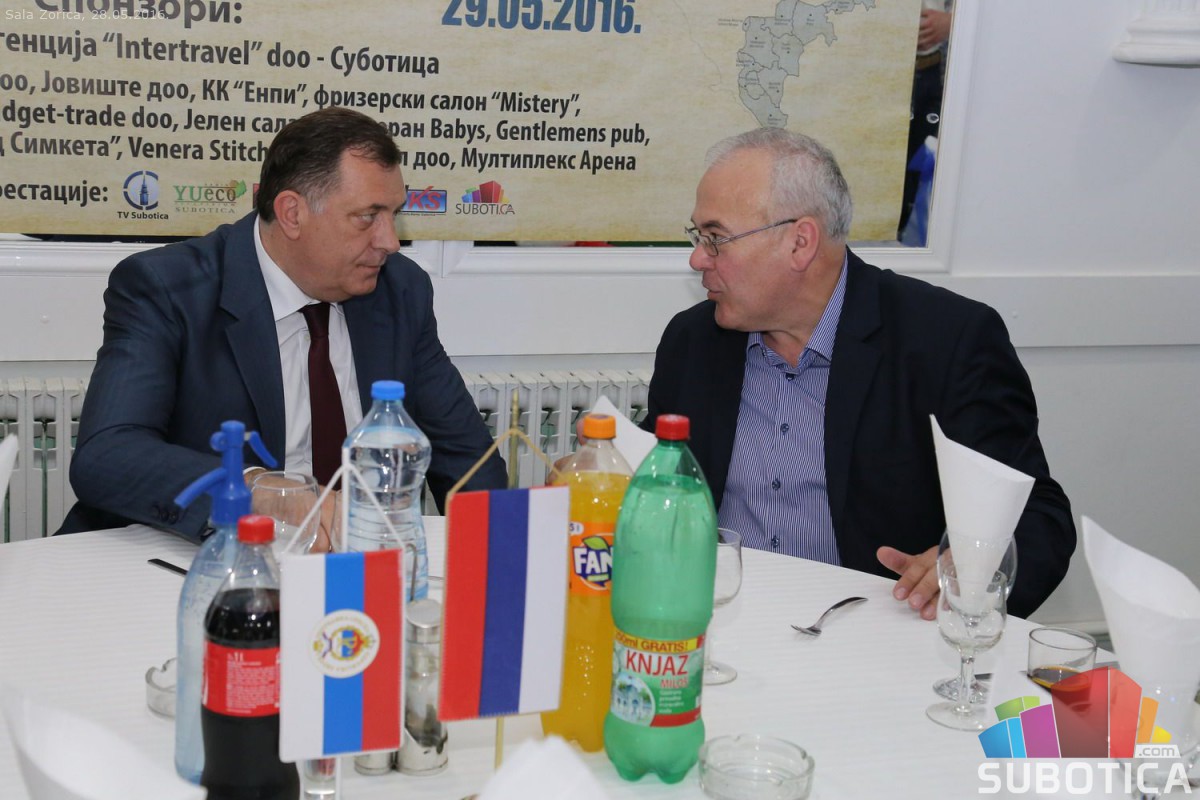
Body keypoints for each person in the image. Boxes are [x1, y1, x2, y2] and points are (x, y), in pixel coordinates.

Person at [648, 128, 1074, 619]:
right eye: (698, 237)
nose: (697, 258)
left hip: (875, 631)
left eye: (716, 239)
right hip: (721, 621)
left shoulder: (945, 341)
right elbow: (655, 482)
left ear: (800, 242)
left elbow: (1038, 518)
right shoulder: (693, 342)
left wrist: (969, 567)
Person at [60, 107, 507, 540]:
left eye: (394, 214)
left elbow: (466, 457)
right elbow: (108, 455)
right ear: (293, 213)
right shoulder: (168, 289)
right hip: (194, 555)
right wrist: (263, 493)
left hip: (350, 559)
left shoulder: (400, 290)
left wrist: (498, 554)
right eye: (368, 217)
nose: (389, 241)